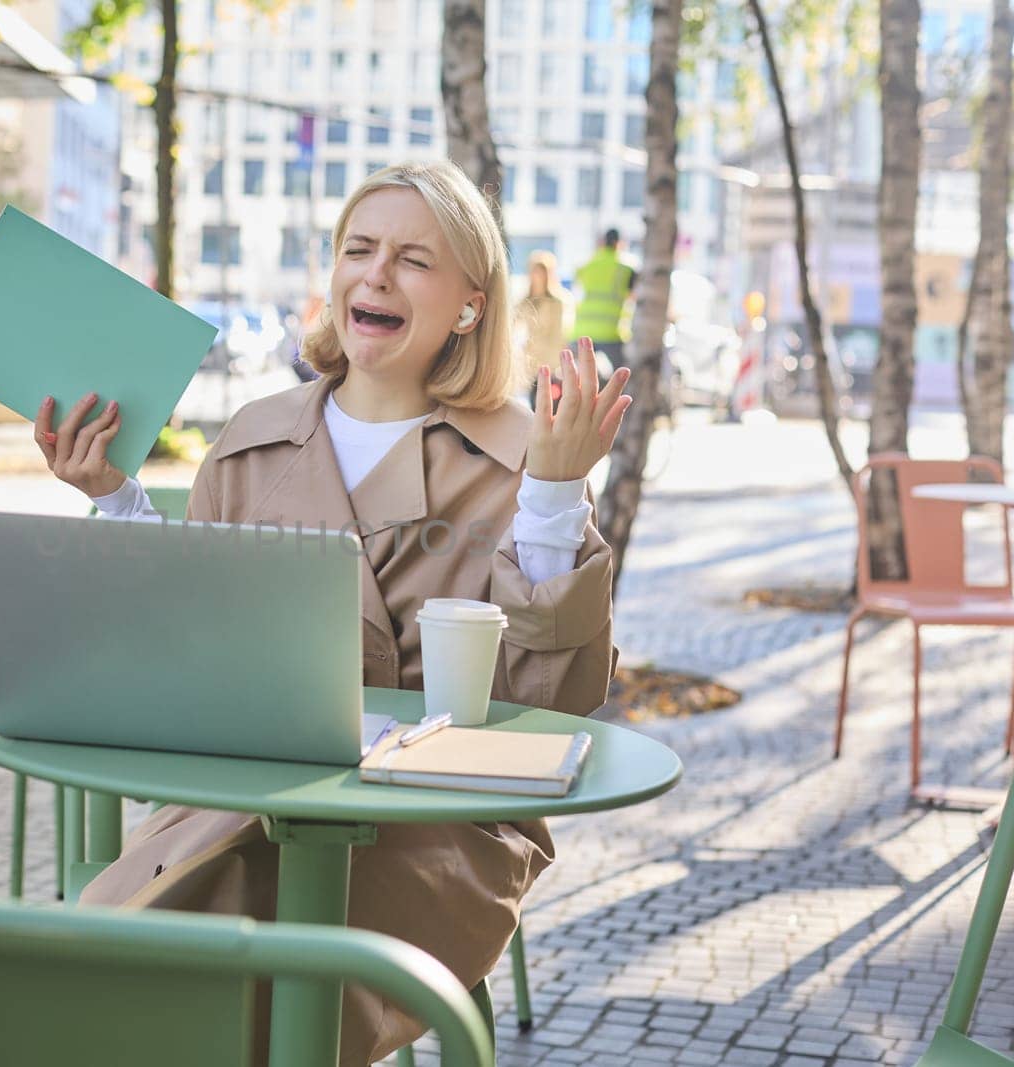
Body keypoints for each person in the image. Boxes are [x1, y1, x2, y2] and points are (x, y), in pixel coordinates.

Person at [32, 160, 631, 1065]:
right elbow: (191, 638)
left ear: (471, 304)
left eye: (413, 260)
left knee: (213, 958)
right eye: (358, 248)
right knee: (149, 952)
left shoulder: (527, 453)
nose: (375, 273)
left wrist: (553, 493)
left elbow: (551, 699)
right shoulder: (251, 437)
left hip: (433, 827)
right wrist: (114, 497)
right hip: (242, 805)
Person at [573, 227, 636, 373]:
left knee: (581, 377)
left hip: (582, 331)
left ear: (602, 243)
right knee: (620, 377)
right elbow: (633, 297)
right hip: (611, 333)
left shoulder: (586, 266)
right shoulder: (626, 269)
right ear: (619, 244)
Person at [513, 249, 572, 407]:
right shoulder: (526, 301)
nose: (537, 276)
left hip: (551, 363)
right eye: (534, 271)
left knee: (550, 405)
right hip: (532, 363)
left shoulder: (558, 301)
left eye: (541, 271)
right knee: (534, 405)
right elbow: (511, 322)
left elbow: (562, 333)